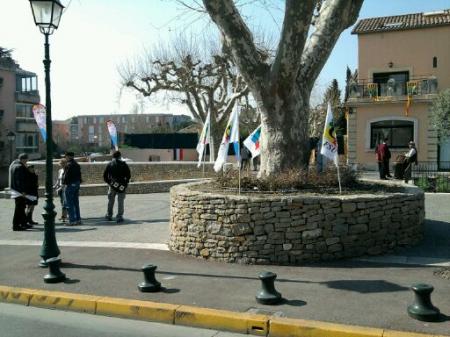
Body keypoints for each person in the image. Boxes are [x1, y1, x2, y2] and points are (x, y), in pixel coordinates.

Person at [103, 151, 131, 223]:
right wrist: (125, 183)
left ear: (113, 156)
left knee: (111, 201)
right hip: (121, 185)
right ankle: (119, 216)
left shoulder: (110, 164)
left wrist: (109, 183)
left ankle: (109, 215)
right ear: (120, 156)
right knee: (120, 201)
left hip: (112, 185)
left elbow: (105, 176)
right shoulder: (123, 164)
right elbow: (128, 175)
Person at [9, 153, 31, 231]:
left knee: (21, 207)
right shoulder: (20, 167)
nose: (27, 161)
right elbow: (20, 180)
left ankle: (23, 223)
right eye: (27, 159)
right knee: (19, 208)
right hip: (19, 191)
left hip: (15, 190)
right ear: (23, 159)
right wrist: (23, 191)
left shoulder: (14, 165)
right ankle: (16, 225)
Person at [63, 151, 82, 226]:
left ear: (68, 156)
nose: (65, 158)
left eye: (65, 156)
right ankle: (78, 219)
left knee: (69, 203)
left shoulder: (68, 165)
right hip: (77, 184)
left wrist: (64, 183)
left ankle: (72, 220)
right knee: (76, 203)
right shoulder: (77, 164)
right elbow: (79, 175)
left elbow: (66, 176)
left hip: (70, 184)